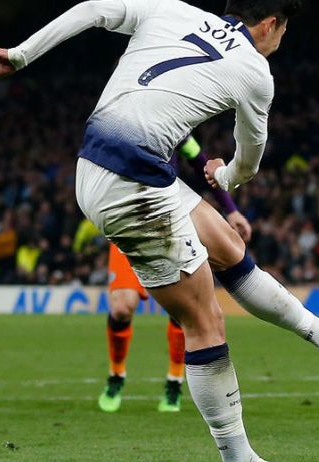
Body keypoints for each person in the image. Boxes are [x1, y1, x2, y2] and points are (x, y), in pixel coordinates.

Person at [0, 0, 319, 462]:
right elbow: (251, 158)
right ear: (271, 24)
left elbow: (91, 11)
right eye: (285, 29)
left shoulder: (166, 7)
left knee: (228, 248)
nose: (282, 39)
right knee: (205, 324)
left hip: (110, 164)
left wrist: (19, 55)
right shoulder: (256, 73)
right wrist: (226, 174)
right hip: (131, 186)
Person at [97, 134, 253, 415]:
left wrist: (231, 210)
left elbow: (200, 162)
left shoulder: (175, 126)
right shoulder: (118, 122)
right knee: (121, 308)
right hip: (127, 221)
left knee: (181, 308)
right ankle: (116, 375)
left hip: (169, 220)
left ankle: (173, 381)